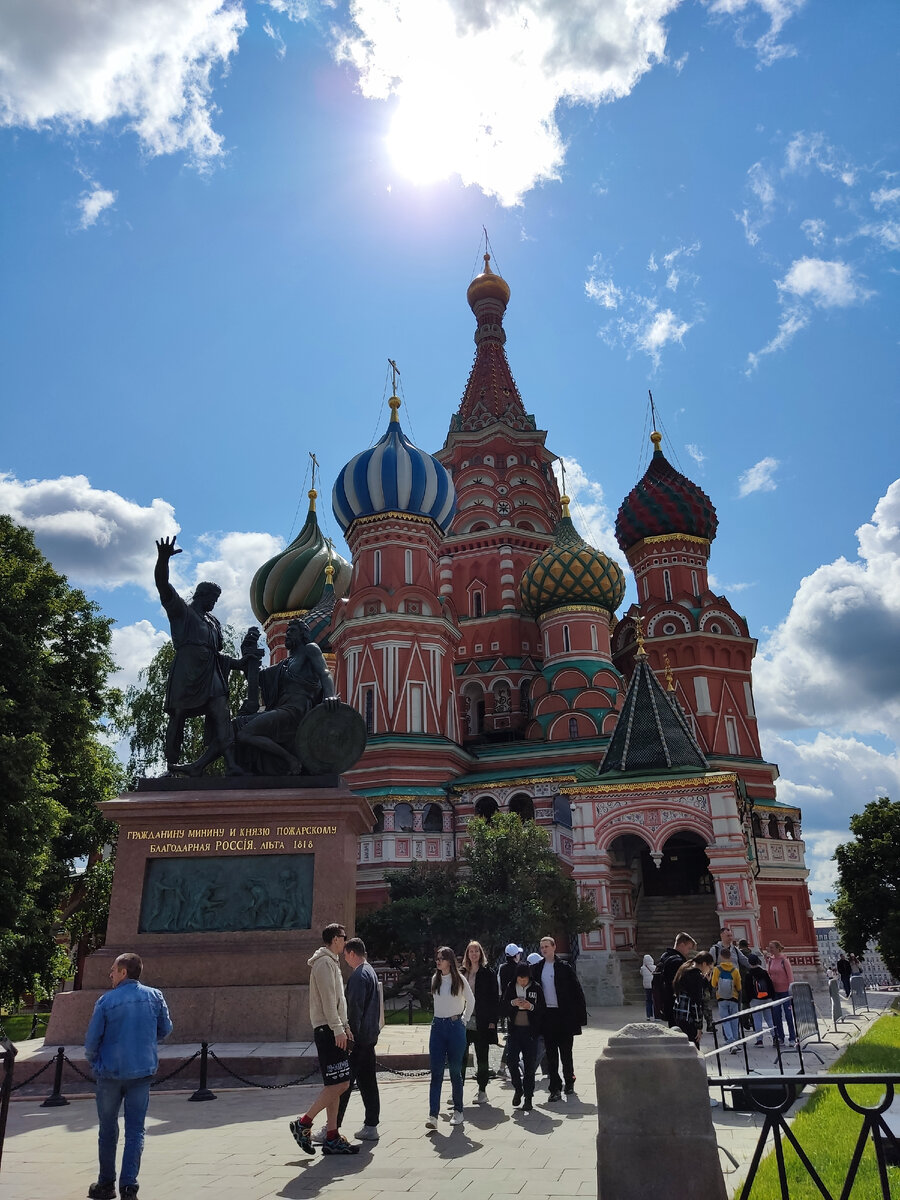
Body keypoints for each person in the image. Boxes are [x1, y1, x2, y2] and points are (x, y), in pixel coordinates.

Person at [154, 535, 249, 776]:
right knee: (178, 717)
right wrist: (163, 559)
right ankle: (171, 767)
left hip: (211, 672)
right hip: (187, 672)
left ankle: (231, 765)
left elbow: (219, 655)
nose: (215, 604)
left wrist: (240, 664)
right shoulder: (182, 612)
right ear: (201, 596)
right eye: (213, 599)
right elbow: (163, 586)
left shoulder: (213, 621)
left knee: (221, 713)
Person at [84, 953, 172, 1200]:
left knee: (107, 1129)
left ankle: (105, 1184)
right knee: (136, 1130)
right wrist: (144, 1045)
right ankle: (129, 1186)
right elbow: (165, 1029)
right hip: (141, 1072)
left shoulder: (106, 1001)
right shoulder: (155, 997)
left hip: (110, 1073)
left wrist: (96, 1062)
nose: (110, 974)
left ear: (123, 972)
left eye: (113, 970)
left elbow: (91, 1041)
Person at [234, 617, 339, 775]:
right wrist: (249, 654)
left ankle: (290, 760)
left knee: (244, 733)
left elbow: (324, 673)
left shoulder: (310, 649)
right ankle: (236, 770)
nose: (287, 634)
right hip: (282, 711)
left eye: (292, 631)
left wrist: (330, 695)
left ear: (302, 634)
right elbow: (257, 679)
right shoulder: (284, 664)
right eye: (286, 631)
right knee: (236, 724)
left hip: (296, 711)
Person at [289, 924, 359, 1156]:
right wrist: (338, 1029)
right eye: (343, 937)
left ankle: (332, 1135)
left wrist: (345, 1026)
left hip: (334, 1028)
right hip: (328, 1030)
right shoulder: (323, 964)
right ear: (333, 939)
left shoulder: (332, 963)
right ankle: (304, 1123)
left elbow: (339, 1001)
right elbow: (329, 1000)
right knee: (341, 1083)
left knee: (335, 1083)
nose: (345, 941)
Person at [530, 935, 587, 1101]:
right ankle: (554, 1087)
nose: (544, 949)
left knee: (566, 1052)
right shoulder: (538, 968)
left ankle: (569, 1080)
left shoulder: (564, 967)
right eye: (542, 947)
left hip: (564, 1015)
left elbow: (577, 991)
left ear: (554, 947)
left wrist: (579, 1016)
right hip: (547, 1015)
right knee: (551, 1054)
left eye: (547, 946)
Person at [336, 937, 382, 1142]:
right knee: (368, 1083)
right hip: (370, 1038)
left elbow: (355, 1010)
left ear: (352, 953)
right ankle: (371, 1125)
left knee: (343, 1084)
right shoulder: (370, 971)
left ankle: (332, 1127)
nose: (345, 959)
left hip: (358, 1040)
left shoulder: (358, 976)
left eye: (346, 955)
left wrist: (349, 1038)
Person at [426, 947, 475, 1130]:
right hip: (437, 1027)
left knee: (455, 1072)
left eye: (442, 958)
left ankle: (458, 1111)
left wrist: (464, 1019)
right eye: (437, 958)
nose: (438, 961)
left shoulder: (459, 979)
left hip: (455, 1028)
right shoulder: (435, 979)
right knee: (436, 1072)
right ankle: (433, 1115)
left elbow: (471, 1000)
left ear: (449, 961)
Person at [501, 962, 545, 1113]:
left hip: (530, 1032)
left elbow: (542, 1008)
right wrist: (513, 1003)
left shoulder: (536, 987)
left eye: (525, 980)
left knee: (530, 1066)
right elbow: (504, 1006)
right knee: (511, 1060)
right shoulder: (511, 986)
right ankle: (517, 1088)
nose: (522, 982)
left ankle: (528, 1098)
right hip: (514, 1030)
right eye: (520, 980)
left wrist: (530, 1006)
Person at [460, 940, 499, 1104]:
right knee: (460, 1055)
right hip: (464, 1019)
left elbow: (494, 997)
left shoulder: (488, 972)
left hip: (481, 1019)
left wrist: (492, 1020)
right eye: (471, 951)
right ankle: (458, 1090)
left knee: (482, 1055)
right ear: (467, 954)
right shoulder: (462, 973)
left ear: (480, 954)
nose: (473, 954)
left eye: (476, 951)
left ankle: (482, 1090)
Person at [671, 953, 715, 1049]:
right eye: (710, 969)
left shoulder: (686, 969)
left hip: (680, 1014)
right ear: (704, 964)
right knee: (693, 1047)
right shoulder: (696, 976)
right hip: (689, 1017)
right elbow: (696, 1003)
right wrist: (699, 1027)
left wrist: (705, 982)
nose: (709, 972)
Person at [656, 932, 697, 1027]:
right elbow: (681, 984)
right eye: (689, 948)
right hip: (677, 1005)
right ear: (682, 945)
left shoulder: (665, 957)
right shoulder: (677, 962)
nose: (688, 952)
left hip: (666, 1002)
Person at [496, 943, 523, 1079]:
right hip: (520, 1006)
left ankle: (505, 1066)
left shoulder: (501, 968)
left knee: (513, 1035)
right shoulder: (520, 968)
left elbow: (499, 987)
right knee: (517, 1037)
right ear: (515, 956)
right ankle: (511, 1065)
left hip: (506, 1005)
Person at [765, 939, 796, 1045]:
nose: (770, 949)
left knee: (788, 1015)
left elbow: (790, 977)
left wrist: (791, 991)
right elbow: (768, 974)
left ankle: (792, 1038)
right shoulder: (770, 960)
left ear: (778, 948)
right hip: (775, 992)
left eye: (772, 947)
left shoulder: (784, 960)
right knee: (776, 1016)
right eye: (769, 947)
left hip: (785, 992)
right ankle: (780, 1037)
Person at [711, 946, 742, 1047]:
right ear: (730, 956)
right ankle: (736, 1041)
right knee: (734, 1020)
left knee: (725, 1020)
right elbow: (738, 986)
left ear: (720, 956)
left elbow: (713, 984)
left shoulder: (717, 969)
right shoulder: (735, 970)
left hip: (721, 998)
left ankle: (730, 1039)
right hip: (733, 997)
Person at [745, 953, 778, 1046]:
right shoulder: (764, 972)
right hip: (767, 998)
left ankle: (759, 1040)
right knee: (769, 1019)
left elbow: (747, 989)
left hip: (755, 1000)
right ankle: (775, 1037)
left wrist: (749, 1000)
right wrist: (771, 996)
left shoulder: (749, 974)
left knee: (757, 1020)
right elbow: (770, 985)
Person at [640, 954, 656, 1020]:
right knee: (655, 1000)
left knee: (648, 1000)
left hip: (647, 986)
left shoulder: (642, 968)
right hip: (654, 985)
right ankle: (655, 1015)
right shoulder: (655, 967)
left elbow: (641, 973)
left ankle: (648, 1016)